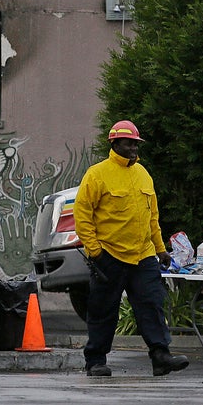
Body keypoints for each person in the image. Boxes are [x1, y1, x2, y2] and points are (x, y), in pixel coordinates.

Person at [74, 119, 189, 378]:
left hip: (144, 255)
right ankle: (95, 361)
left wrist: (161, 250)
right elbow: (82, 215)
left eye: (136, 144)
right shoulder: (97, 174)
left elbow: (152, 218)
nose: (134, 148)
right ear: (115, 144)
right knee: (104, 311)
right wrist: (95, 252)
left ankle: (161, 357)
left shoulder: (143, 174)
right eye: (129, 143)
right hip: (109, 255)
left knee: (151, 304)